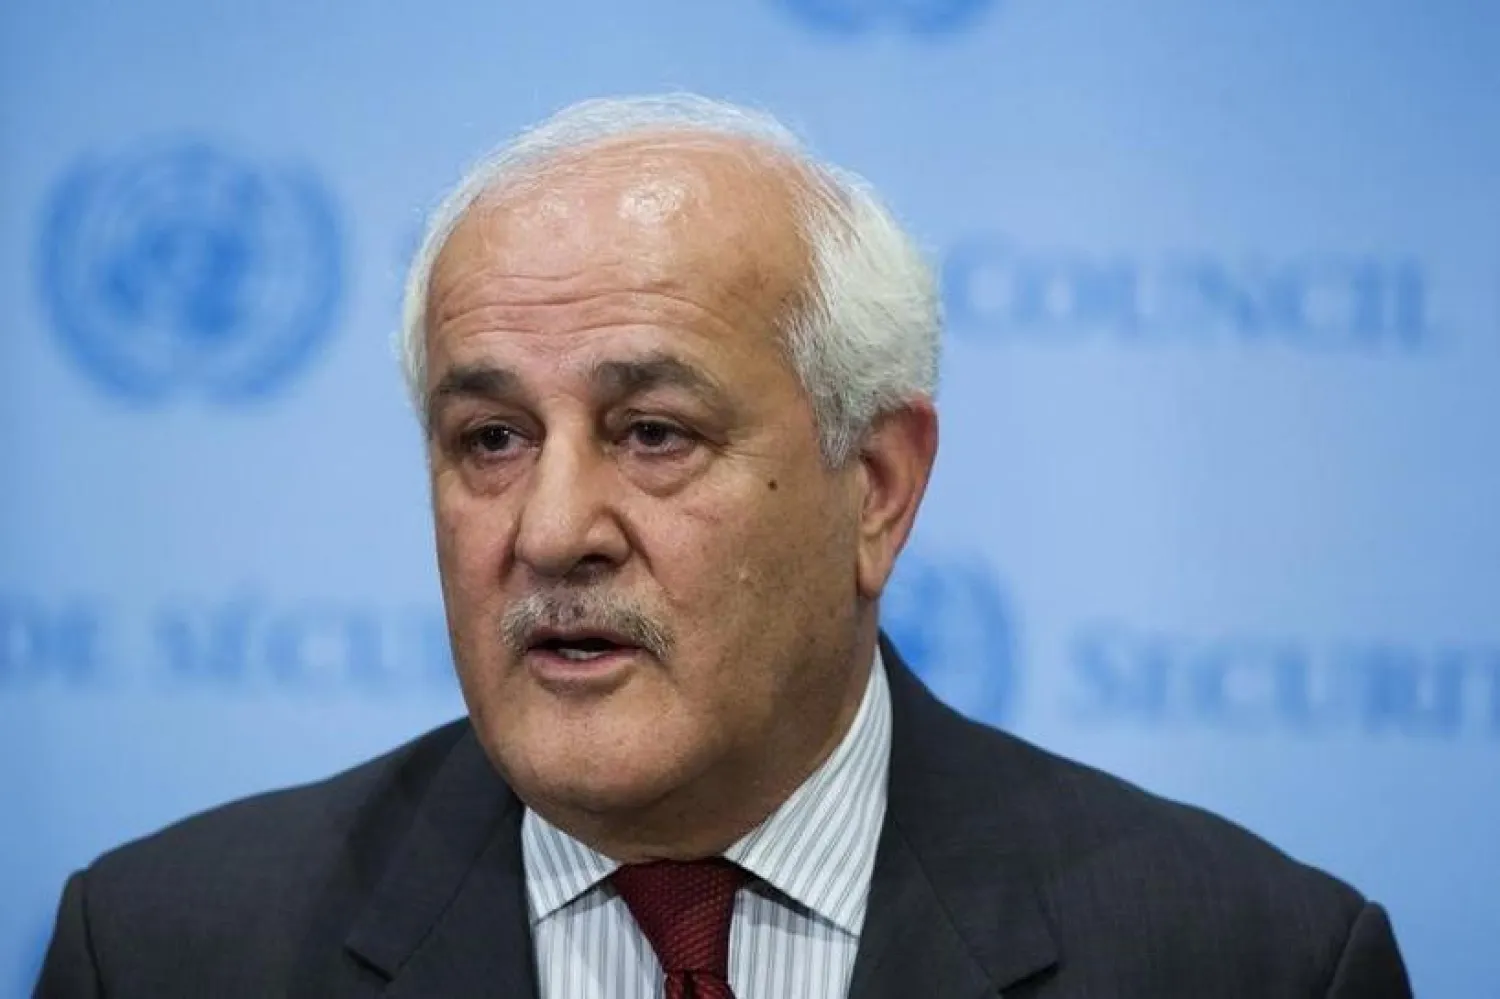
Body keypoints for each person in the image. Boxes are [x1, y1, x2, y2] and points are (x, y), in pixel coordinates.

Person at [35, 93, 1412, 999]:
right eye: (491, 440)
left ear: (875, 483)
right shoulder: (165, 948)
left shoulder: (1250, 960)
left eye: (651, 432)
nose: (553, 529)